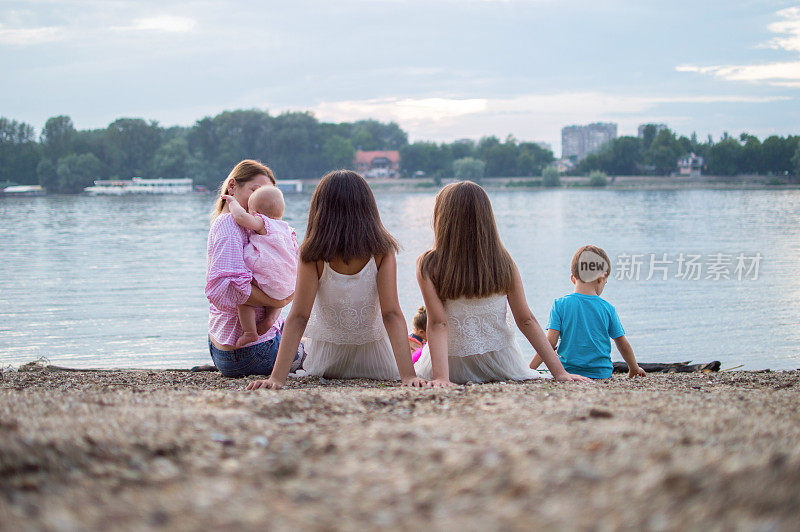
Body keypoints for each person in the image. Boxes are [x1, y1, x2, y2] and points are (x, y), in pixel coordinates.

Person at [247, 170, 427, 390]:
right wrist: (407, 376)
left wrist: (277, 378)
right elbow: (391, 314)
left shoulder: (312, 254)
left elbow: (298, 317)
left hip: (326, 363)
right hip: (379, 363)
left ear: (320, 211)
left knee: (299, 342)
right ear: (368, 209)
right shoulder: (382, 251)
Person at [414, 181, 592, 386]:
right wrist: (559, 373)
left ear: (442, 218)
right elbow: (526, 320)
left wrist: (441, 378)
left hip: (451, 366)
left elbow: (438, 323)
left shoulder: (429, 264)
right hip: (502, 365)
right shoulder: (503, 261)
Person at [206, 160, 302, 377]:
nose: (259, 198)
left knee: (304, 329)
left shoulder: (256, 228)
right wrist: (279, 301)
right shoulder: (229, 224)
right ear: (232, 187)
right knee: (319, 351)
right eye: (254, 190)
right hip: (250, 354)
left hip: (233, 350)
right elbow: (227, 286)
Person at [530, 245, 646, 379]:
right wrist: (633, 368)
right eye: (605, 283)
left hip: (568, 372)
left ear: (573, 278)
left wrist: (530, 369)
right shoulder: (608, 308)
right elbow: (622, 344)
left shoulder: (560, 305)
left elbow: (549, 343)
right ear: (601, 279)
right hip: (602, 373)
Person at [221, 186, 299, 348]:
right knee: (276, 296)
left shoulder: (263, 223)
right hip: (287, 283)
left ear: (256, 213)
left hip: (266, 279)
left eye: (250, 210)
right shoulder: (288, 229)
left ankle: (250, 333)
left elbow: (241, 217)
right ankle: (270, 319)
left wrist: (233, 202)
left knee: (244, 299)